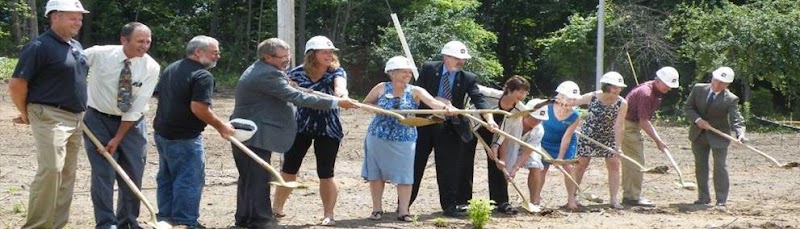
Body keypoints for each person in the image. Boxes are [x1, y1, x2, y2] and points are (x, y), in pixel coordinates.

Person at [230, 38, 359, 229]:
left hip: (324, 129)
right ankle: (261, 220)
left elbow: (337, 86)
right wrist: (336, 103)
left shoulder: (269, 71)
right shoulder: (269, 74)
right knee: (258, 177)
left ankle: (247, 218)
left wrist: (341, 96)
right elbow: (295, 97)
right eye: (282, 57)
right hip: (259, 132)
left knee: (252, 177)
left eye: (288, 55)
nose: (287, 60)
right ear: (267, 57)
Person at [8, 0, 90, 228]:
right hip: (50, 115)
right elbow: (16, 84)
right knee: (51, 170)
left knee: (67, 175)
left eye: (80, 17)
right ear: (54, 16)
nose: (79, 21)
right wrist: (26, 114)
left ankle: (57, 224)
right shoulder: (39, 46)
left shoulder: (76, 46)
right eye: (73, 16)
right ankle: (37, 225)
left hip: (76, 118)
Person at [82, 22, 160, 229]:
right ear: (123, 40)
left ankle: (127, 221)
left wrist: (117, 139)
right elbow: (70, 65)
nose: (144, 46)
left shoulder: (151, 67)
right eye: (140, 41)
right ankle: (106, 223)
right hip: (97, 119)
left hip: (132, 124)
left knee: (133, 172)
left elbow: (137, 107)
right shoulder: (99, 54)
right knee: (103, 174)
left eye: (148, 42)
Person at [152, 35, 236, 228]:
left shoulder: (172, 68)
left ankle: (165, 218)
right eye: (214, 52)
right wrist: (222, 127)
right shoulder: (203, 75)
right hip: (184, 137)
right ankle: (185, 222)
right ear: (199, 52)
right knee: (188, 179)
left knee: (167, 176)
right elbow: (199, 108)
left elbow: (158, 94)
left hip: (163, 132)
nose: (218, 56)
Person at [361, 56, 455, 222]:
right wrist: (380, 109)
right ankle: (377, 209)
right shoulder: (381, 87)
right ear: (392, 73)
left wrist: (446, 108)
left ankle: (404, 211)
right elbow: (366, 104)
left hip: (405, 138)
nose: (408, 74)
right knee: (376, 174)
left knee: (405, 174)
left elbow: (433, 103)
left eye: (409, 71)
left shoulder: (415, 91)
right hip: (378, 137)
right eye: (403, 71)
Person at [410, 40, 497, 218]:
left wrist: (489, 119)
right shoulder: (428, 69)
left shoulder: (468, 78)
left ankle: (450, 206)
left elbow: (480, 100)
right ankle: (404, 205)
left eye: (462, 59)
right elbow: (417, 92)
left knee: (449, 168)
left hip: (451, 127)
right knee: (416, 164)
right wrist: (437, 102)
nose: (461, 62)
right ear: (446, 57)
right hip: (425, 125)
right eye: (457, 58)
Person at [272, 36, 347, 225]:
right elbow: (283, 90)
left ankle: (328, 214)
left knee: (326, 172)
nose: (329, 55)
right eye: (324, 52)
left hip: (328, 129)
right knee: (289, 169)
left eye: (331, 52)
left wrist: (342, 95)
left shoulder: (336, 72)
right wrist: (290, 87)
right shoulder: (295, 74)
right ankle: (276, 209)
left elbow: (340, 86)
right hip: (301, 127)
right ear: (312, 55)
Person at [465, 76, 530, 215]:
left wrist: (495, 145)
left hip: (496, 131)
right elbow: (472, 89)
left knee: (498, 162)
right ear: (509, 90)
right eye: (520, 92)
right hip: (472, 124)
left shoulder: (519, 109)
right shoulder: (490, 95)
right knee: (465, 161)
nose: (522, 96)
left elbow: (506, 128)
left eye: (525, 93)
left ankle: (500, 201)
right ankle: (463, 202)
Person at [684, 66, 745, 210]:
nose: (717, 84)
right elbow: (688, 108)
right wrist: (698, 120)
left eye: (722, 83)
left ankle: (721, 200)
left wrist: (740, 133)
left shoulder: (731, 99)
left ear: (727, 85)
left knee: (720, 167)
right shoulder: (698, 89)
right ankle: (703, 197)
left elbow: (736, 118)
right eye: (716, 80)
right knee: (700, 166)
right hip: (698, 135)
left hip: (719, 137)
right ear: (712, 77)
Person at [621, 66, 679, 207]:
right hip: (627, 126)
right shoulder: (646, 93)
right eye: (667, 85)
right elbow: (644, 121)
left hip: (631, 126)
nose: (669, 89)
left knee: (633, 161)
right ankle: (632, 197)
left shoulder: (653, 91)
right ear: (658, 81)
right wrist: (658, 140)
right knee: (636, 161)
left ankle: (630, 195)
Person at [570, 72, 629, 209]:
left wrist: (617, 146)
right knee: (580, 165)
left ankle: (614, 200)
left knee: (614, 165)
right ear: (606, 86)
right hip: (588, 135)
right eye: (615, 87)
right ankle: (572, 196)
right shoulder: (593, 96)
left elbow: (619, 125)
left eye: (619, 88)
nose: (618, 90)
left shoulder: (622, 103)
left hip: (608, 137)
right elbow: (574, 102)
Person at [535, 81, 582, 210]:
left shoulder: (575, 115)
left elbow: (567, 138)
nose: (571, 102)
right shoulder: (546, 107)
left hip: (564, 144)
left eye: (574, 99)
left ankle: (571, 199)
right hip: (544, 143)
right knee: (541, 169)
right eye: (569, 98)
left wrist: (560, 158)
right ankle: (536, 198)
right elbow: (537, 126)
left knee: (568, 168)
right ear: (560, 96)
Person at [497, 98, 549, 210]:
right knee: (505, 170)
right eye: (535, 118)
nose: (537, 122)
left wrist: (516, 168)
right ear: (527, 114)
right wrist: (504, 160)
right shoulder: (513, 120)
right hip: (510, 144)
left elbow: (527, 152)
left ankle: (535, 201)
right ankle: (502, 200)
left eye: (540, 120)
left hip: (527, 147)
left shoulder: (539, 130)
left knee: (536, 166)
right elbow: (504, 141)